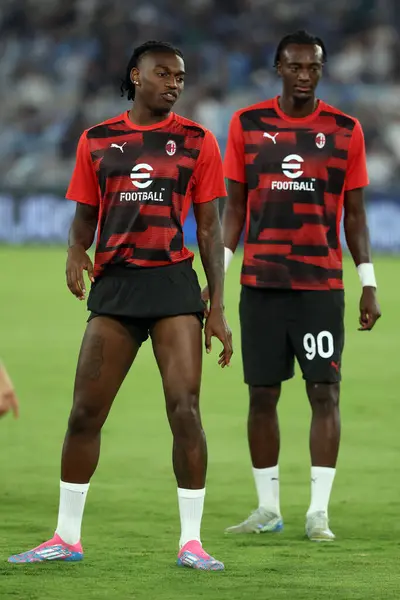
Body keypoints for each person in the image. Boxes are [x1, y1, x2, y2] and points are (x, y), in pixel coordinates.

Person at [9, 41, 232, 569]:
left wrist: (218, 305)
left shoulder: (198, 141)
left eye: (180, 76)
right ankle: (65, 537)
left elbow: (211, 227)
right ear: (136, 76)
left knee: (185, 410)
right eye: (163, 74)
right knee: (86, 412)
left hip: (174, 286)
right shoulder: (98, 140)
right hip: (115, 289)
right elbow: (85, 215)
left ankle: (192, 542)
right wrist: (74, 250)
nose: (174, 83)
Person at [204, 30, 381, 541]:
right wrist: (219, 284)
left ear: (321, 70)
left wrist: (367, 282)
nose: (305, 75)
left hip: (320, 287)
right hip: (261, 284)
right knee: (262, 395)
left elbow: (355, 215)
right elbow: (233, 211)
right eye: (295, 66)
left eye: (313, 67)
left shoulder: (345, 130)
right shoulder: (248, 124)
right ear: (278, 67)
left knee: (324, 392)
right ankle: (268, 509)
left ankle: (318, 513)